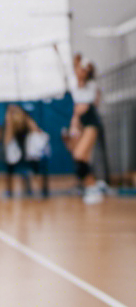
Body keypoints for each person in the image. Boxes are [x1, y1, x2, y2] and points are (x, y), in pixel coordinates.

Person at [66, 55, 103, 204]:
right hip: (80, 124)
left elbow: (86, 106)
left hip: (90, 123)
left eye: (82, 69)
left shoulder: (92, 85)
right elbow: (77, 110)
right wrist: (74, 124)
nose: (78, 71)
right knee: (82, 158)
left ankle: (93, 187)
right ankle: (90, 187)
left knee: (79, 154)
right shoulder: (74, 86)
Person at [2, 104, 49, 198]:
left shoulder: (29, 126)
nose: (16, 116)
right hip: (17, 157)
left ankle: (42, 190)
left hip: (31, 157)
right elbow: (7, 142)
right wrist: (9, 122)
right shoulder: (12, 128)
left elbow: (38, 134)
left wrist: (25, 116)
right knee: (9, 166)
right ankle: (9, 191)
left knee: (40, 166)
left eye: (17, 113)